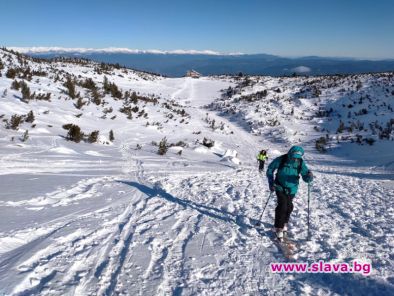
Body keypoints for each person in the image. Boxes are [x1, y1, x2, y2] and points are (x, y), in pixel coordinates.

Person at [266, 146, 313, 241]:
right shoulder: (281, 159)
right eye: (294, 156)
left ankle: (284, 223)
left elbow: (305, 175)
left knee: (289, 206)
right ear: (290, 153)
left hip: (292, 188)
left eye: (297, 157)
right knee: (282, 205)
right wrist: (271, 183)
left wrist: (309, 177)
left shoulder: (300, 162)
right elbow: (270, 169)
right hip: (279, 186)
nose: (295, 159)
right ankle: (278, 227)